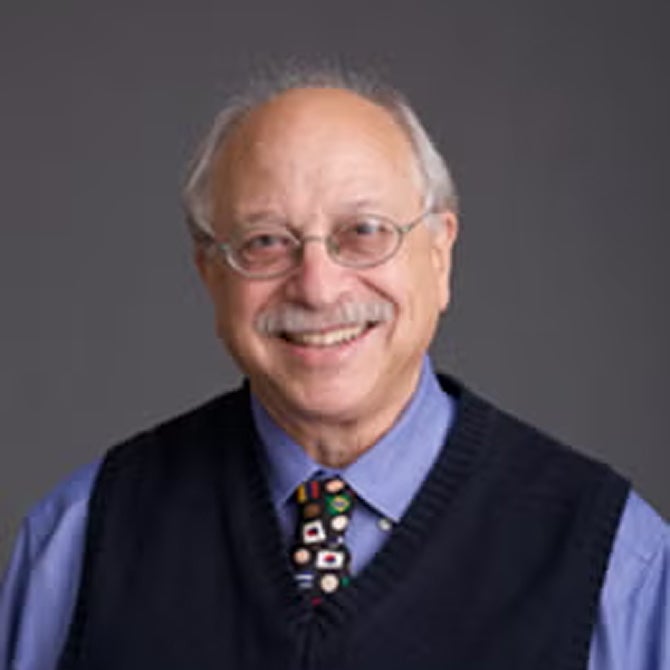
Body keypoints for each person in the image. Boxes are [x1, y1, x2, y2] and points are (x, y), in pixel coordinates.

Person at [1, 67, 668, 670]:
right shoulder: (83, 539)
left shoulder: (613, 564)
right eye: (266, 241)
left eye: (364, 231)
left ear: (439, 253)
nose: (318, 288)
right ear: (209, 272)